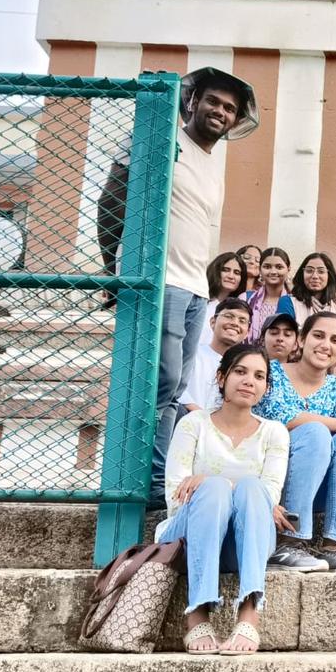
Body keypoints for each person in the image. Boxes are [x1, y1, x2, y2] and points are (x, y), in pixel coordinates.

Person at [120, 66, 257, 509]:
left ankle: (159, 480)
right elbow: (114, 196)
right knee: (159, 383)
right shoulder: (163, 141)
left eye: (230, 108)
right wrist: (114, 267)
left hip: (197, 287)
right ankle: (148, 480)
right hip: (163, 280)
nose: (221, 111)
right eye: (213, 101)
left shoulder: (214, 164)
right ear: (193, 101)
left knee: (175, 390)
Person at [158, 343, 287, 656]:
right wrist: (214, 488)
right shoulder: (194, 424)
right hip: (186, 539)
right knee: (216, 489)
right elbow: (176, 496)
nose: (249, 381)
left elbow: (268, 496)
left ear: (266, 387)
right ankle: (197, 614)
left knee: (250, 489)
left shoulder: (274, 433)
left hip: (243, 542)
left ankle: (249, 613)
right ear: (221, 377)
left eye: (259, 376)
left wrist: (219, 483)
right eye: (240, 372)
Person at [256, 312, 336, 574]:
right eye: (318, 336)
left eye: (335, 340)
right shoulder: (272, 372)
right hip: (272, 482)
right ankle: (289, 542)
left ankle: (334, 546)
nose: (325, 345)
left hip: (320, 487)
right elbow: (284, 417)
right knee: (316, 432)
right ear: (301, 339)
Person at [180, 297, 252, 414]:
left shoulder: (246, 368)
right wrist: (200, 414)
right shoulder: (191, 353)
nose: (235, 323)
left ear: (247, 333)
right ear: (213, 322)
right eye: (229, 316)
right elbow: (176, 389)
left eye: (242, 321)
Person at [244, 247, 296, 338]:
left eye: (279, 267)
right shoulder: (246, 299)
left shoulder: (295, 302)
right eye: (267, 267)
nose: (273, 272)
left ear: (288, 269)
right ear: (260, 269)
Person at [198, 251, 246, 348]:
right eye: (226, 270)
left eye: (237, 273)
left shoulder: (240, 310)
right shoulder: (199, 301)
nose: (231, 276)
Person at [289, 252, 336, 324]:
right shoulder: (289, 302)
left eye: (321, 271)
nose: (315, 276)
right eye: (309, 271)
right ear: (302, 274)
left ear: (329, 276)